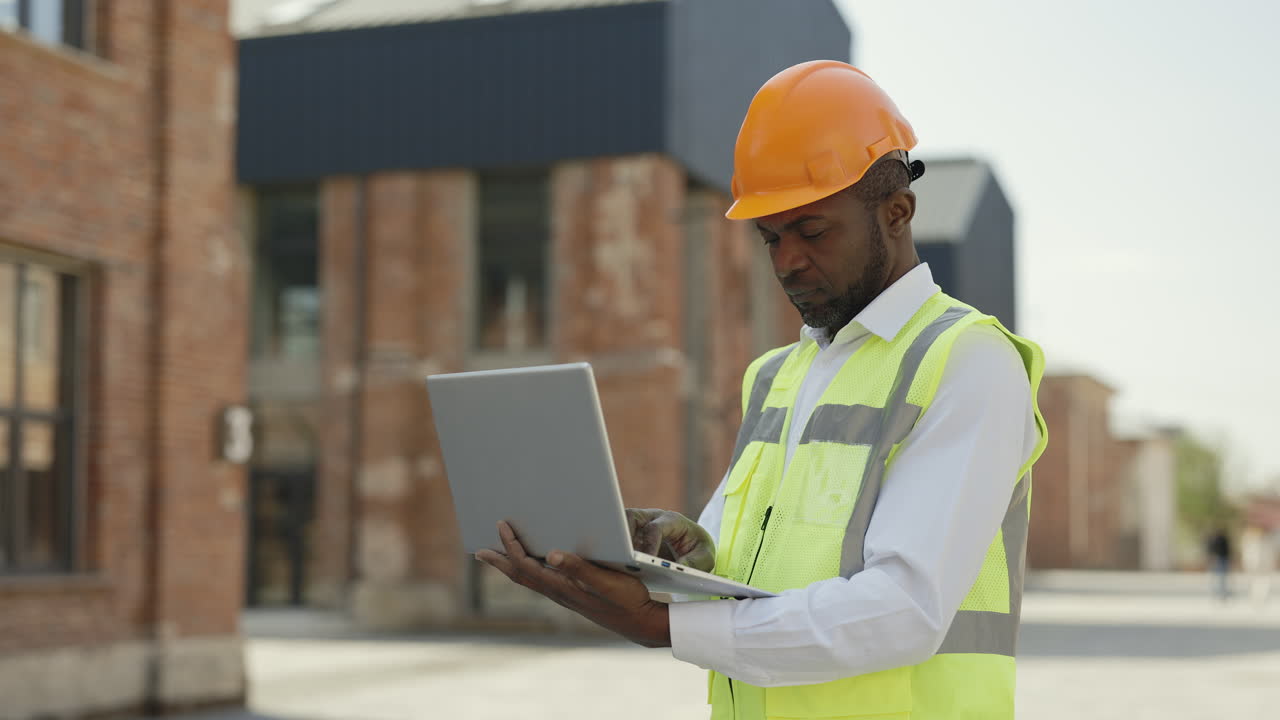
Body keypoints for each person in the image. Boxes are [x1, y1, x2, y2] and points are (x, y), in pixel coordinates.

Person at [476, 60, 1048, 719]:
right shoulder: (776, 376)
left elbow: (904, 610)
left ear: (897, 212)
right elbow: (743, 577)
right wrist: (671, 551)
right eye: (770, 236)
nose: (787, 262)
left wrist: (663, 626)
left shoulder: (965, 359)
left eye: (812, 231)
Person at [1207, 527, 1232, 601]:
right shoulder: (1215, 540)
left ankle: (1221, 594)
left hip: (1222, 559)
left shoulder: (1222, 539)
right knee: (1219, 578)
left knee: (1222, 578)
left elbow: (1227, 550)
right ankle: (1217, 594)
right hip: (1219, 560)